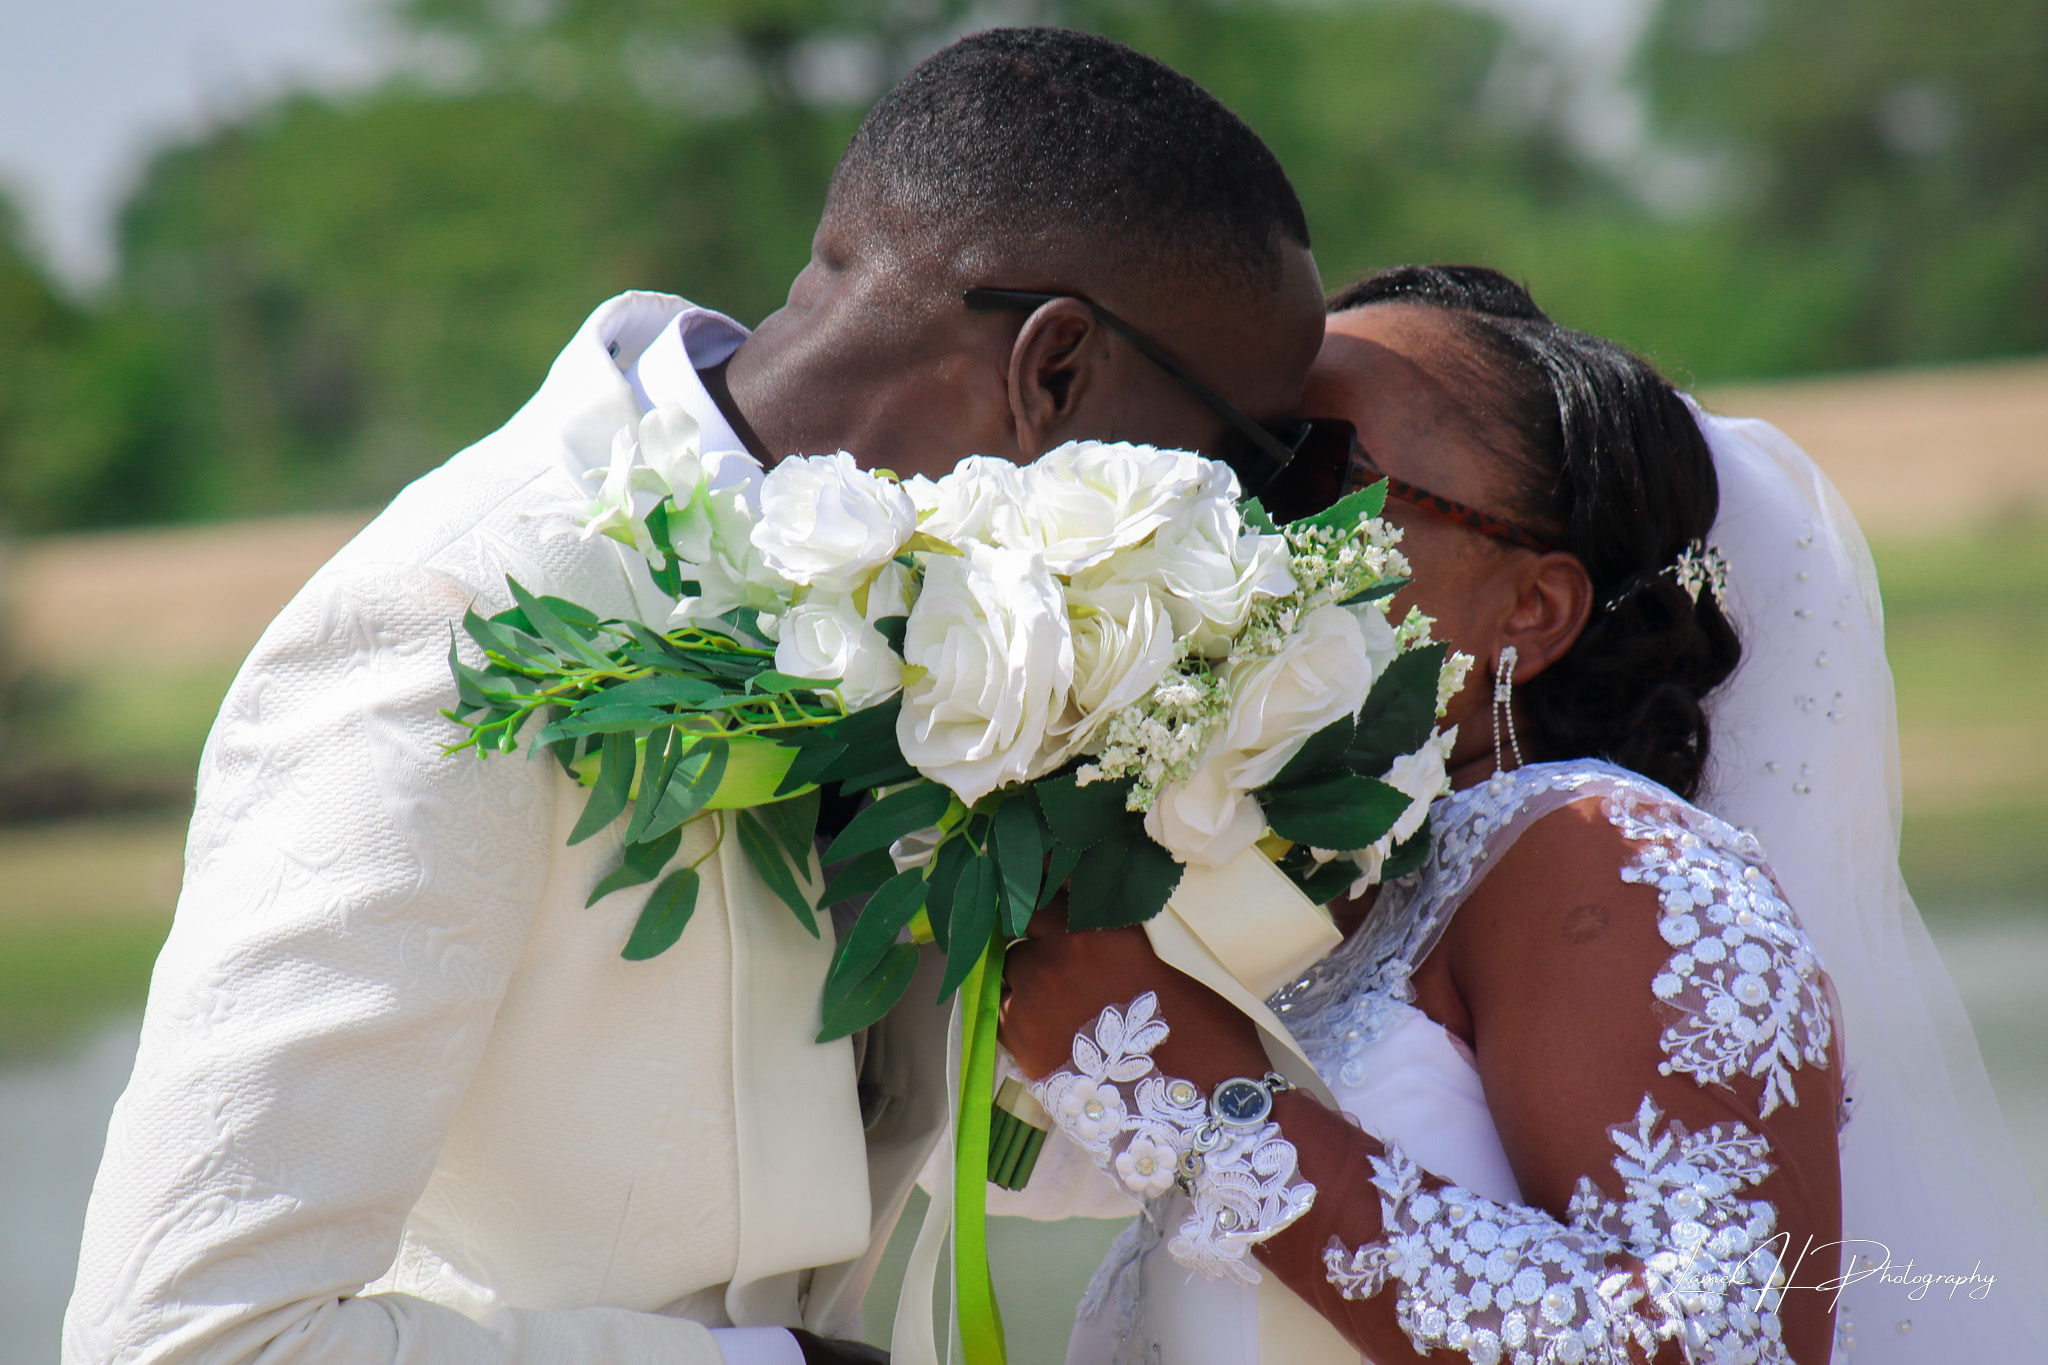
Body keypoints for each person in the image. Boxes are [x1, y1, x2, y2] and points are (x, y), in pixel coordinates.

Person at [62, 28, 1328, 1365]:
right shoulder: (454, 628)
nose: (1242, 524)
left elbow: (920, 1135)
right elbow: (183, 1337)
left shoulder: (958, 619)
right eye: (1252, 458)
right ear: (1054, 369)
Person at [1003, 266, 1854, 1363]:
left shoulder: (1599, 853)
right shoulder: (1317, 884)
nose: (1232, 523)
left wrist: (1196, 1095)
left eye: (1310, 472)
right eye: (1225, 462)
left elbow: (1721, 1343)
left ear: (1529, 606)